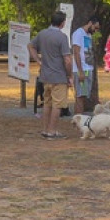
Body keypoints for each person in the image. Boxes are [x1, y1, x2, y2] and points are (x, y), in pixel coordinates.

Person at [28, 11, 72, 140]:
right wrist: (69, 75)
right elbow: (67, 60)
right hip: (59, 76)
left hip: (45, 75)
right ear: (62, 23)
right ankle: (52, 131)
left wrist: (38, 60)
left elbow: (30, 46)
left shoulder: (42, 34)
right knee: (57, 105)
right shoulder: (62, 37)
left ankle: (45, 129)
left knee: (47, 103)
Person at [71, 15, 100, 114]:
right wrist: (80, 71)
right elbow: (76, 52)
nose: (96, 30)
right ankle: (78, 118)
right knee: (80, 96)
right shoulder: (78, 34)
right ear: (90, 23)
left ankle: (80, 117)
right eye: (95, 27)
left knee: (83, 95)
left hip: (88, 69)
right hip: (81, 69)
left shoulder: (88, 35)